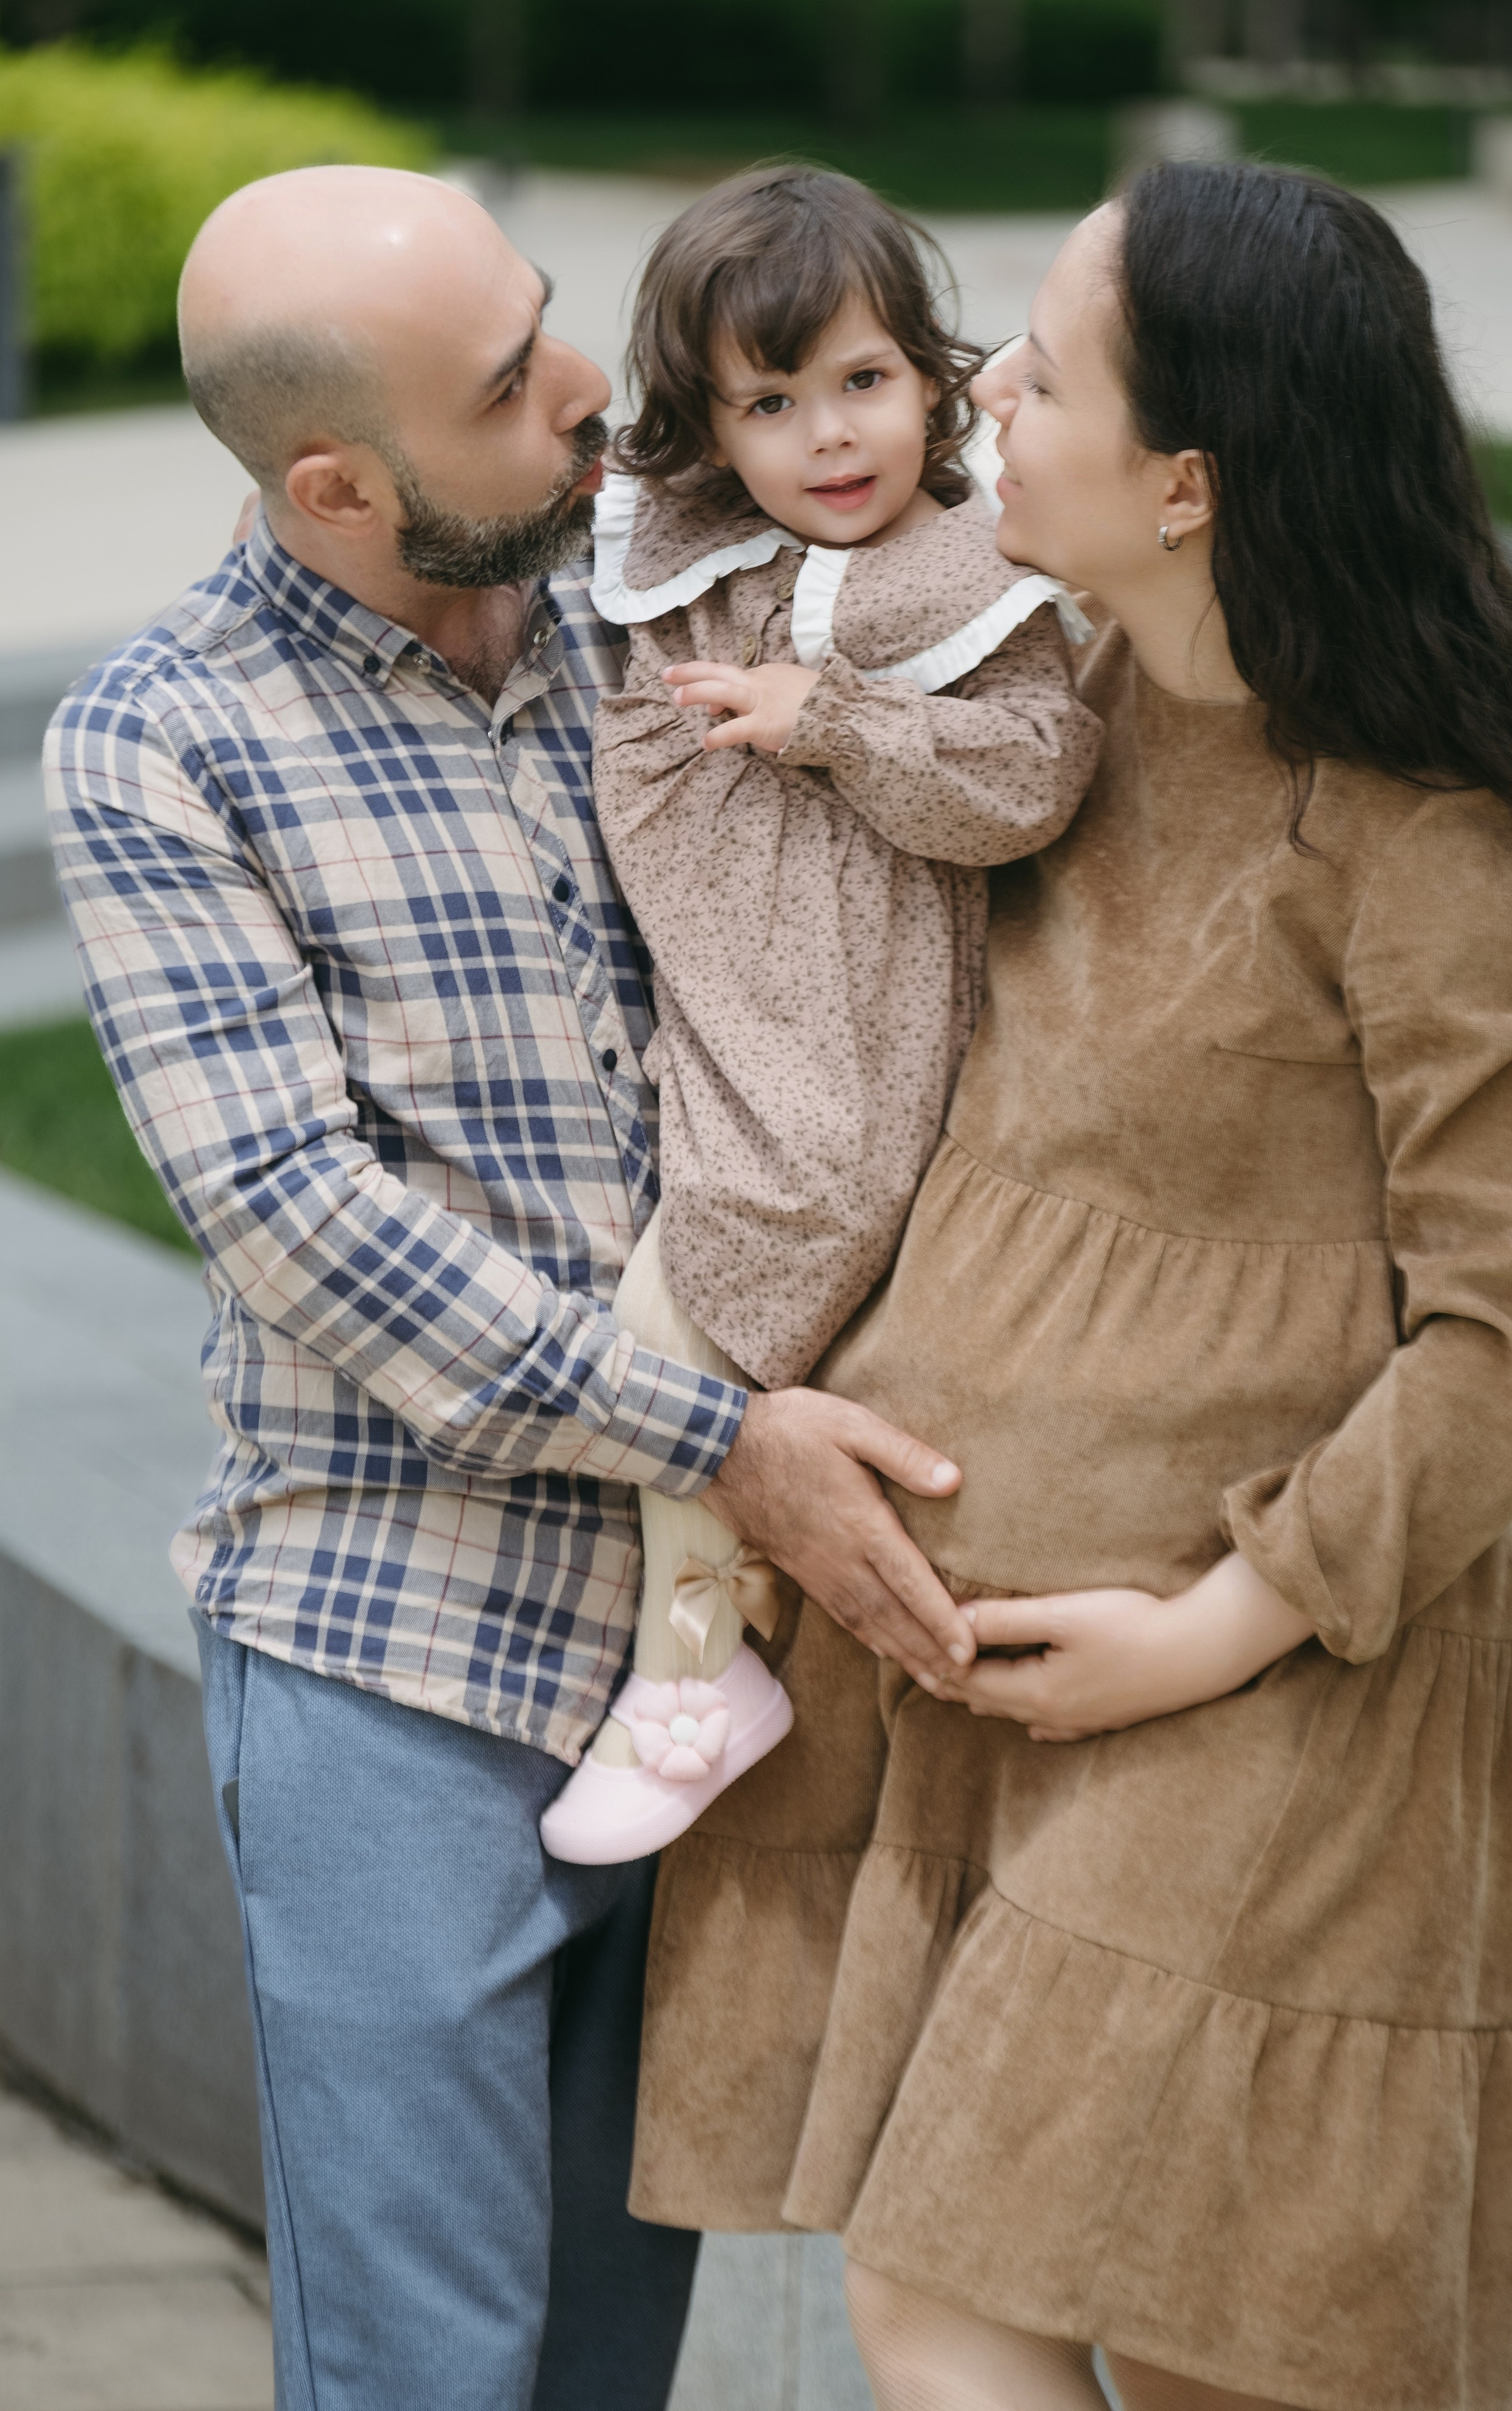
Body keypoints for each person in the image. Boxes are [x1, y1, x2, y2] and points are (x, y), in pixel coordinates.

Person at [43, 163, 985, 2411]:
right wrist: (723, 1440)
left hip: (714, 1672)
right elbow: (298, 1216)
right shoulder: (161, 743)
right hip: (396, 1647)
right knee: (428, 2375)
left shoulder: (669, 624)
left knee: (600, 2364)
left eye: (553, 323)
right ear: (341, 484)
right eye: (513, 382)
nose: (593, 395)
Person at [626, 161, 1512, 2411]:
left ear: (1191, 480)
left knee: (1103, 2325)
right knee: (1075, 2311)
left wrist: (1215, 1626)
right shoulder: (1057, 726)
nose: (981, 397)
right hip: (995, 1697)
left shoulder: (1431, 832)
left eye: (1042, 365)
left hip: (1275, 1695)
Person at [539, 165, 1101, 1866]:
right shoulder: (693, 559)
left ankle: (694, 1680)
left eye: (862, 382)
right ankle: (738, 1615)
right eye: (771, 405)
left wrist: (833, 722)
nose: (830, 437)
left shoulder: (956, 576)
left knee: (677, 1317)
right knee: (685, 1313)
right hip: (719, 1026)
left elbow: (1034, 776)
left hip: (848, 1055)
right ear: (713, 438)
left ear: (932, 380)